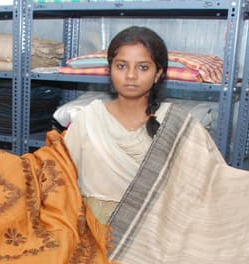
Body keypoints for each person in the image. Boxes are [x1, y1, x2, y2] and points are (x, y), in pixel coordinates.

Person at [63, 26, 171, 223]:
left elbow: (208, 182)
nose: (131, 75)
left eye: (143, 67)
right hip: (94, 230)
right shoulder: (88, 120)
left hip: (154, 232)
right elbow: (60, 180)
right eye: (121, 66)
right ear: (109, 70)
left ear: (158, 73)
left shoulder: (174, 123)